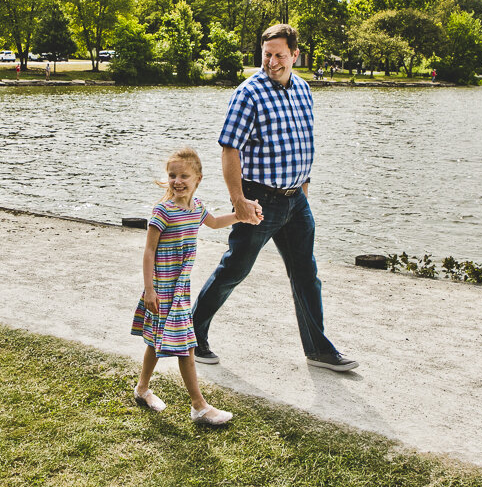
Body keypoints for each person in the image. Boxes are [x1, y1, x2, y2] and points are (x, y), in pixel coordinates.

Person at [192, 23, 359, 372]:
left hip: (296, 200)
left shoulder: (303, 89)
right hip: (259, 200)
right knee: (235, 269)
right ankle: (192, 333)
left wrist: (304, 188)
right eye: (267, 55)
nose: (272, 62)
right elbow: (229, 149)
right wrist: (238, 200)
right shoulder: (248, 93)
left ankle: (318, 349)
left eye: (280, 55)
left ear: (295, 54)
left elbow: (303, 142)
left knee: (306, 274)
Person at [130, 147, 259, 425]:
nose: (177, 181)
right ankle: (199, 406)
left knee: (156, 341)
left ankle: (142, 389)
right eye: (172, 175)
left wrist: (241, 215)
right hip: (162, 289)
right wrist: (149, 289)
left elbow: (213, 223)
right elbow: (149, 251)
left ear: (198, 178)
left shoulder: (197, 208)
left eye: (184, 176)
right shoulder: (163, 211)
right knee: (188, 345)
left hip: (180, 290)